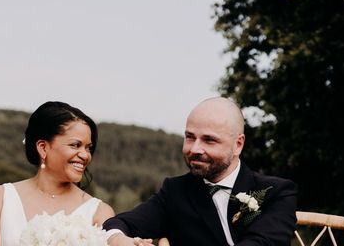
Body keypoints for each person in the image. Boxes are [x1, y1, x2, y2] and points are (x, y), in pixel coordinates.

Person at [104, 97, 298, 246]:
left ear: (238, 144)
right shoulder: (175, 192)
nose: (194, 149)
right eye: (190, 137)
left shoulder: (277, 192)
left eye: (209, 140)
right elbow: (118, 223)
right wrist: (119, 240)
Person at [0, 101, 115, 246]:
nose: (85, 155)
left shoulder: (100, 212)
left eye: (88, 148)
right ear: (43, 148)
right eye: (75, 145)